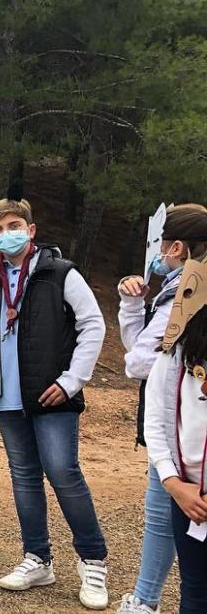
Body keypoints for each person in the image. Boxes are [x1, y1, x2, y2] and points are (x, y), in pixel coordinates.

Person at [0, 184, 109, 610]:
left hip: (52, 395)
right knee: (24, 478)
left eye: (14, 226)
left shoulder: (60, 272)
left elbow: (93, 324)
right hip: (7, 398)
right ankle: (38, 558)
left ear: (31, 230)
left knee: (64, 474)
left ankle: (93, 560)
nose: (5, 234)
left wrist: (73, 381)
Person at [117, 204, 207, 614]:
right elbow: (142, 359)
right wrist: (131, 304)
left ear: (176, 247)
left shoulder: (184, 300)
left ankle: (145, 599)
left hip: (182, 449)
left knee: (160, 518)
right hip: (176, 448)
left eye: (160, 245)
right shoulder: (175, 297)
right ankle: (146, 597)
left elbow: (137, 362)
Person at [144, 255, 207, 614]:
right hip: (189, 496)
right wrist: (173, 483)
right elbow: (156, 420)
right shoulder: (176, 355)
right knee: (196, 590)